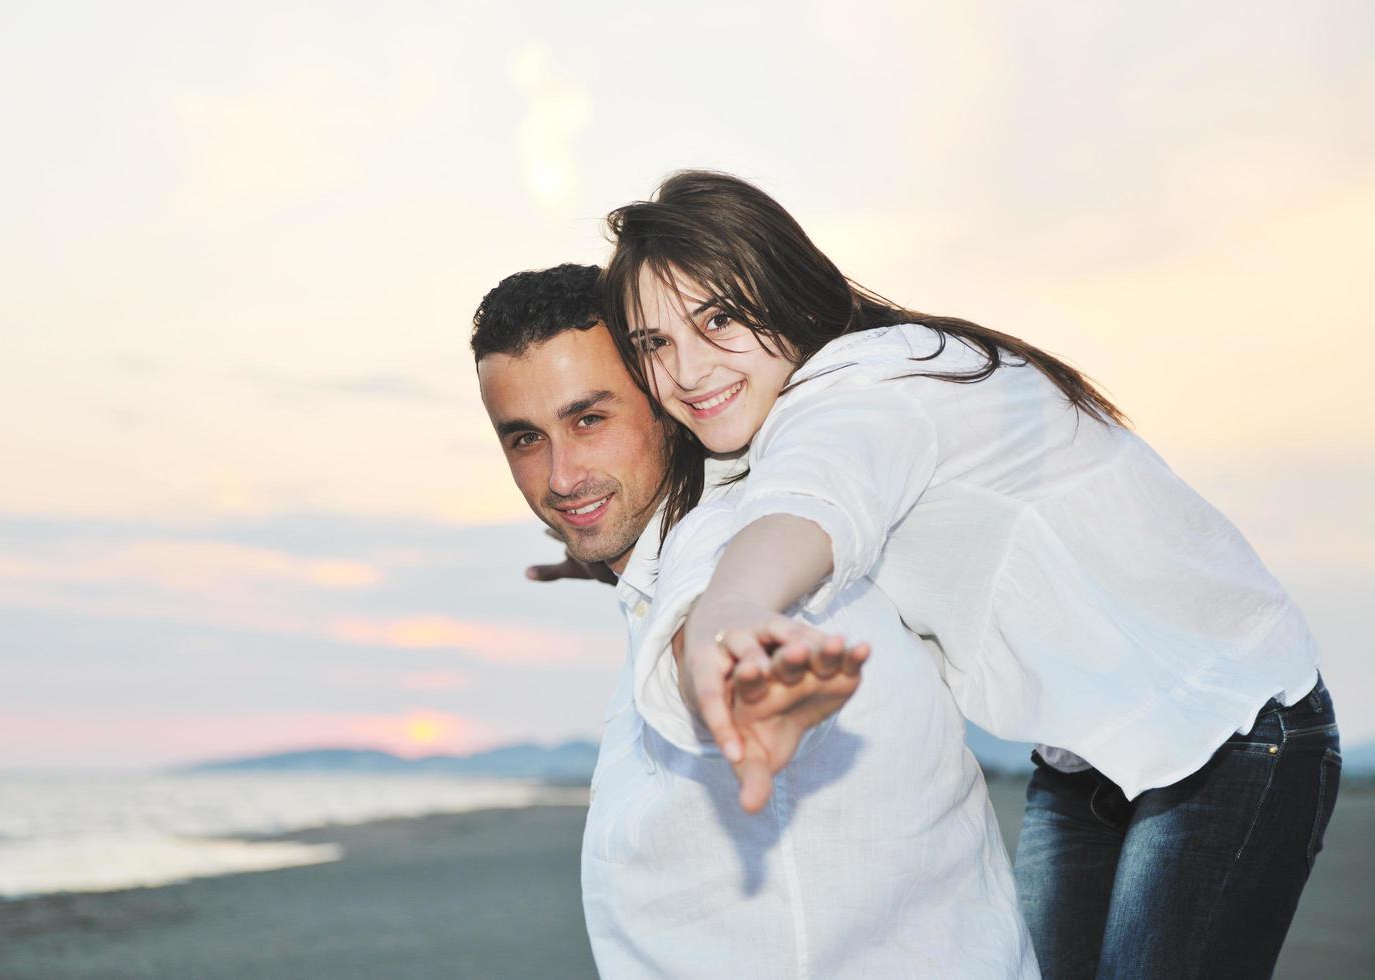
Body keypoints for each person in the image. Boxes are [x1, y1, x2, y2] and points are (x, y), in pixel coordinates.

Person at [599, 170, 1342, 979]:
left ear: (789, 292)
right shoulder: (792, 424)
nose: (689, 369)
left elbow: (808, 509)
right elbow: (751, 521)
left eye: (719, 318)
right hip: (1086, 760)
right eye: (655, 344)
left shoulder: (873, 387)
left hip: (1232, 725)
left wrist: (735, 613)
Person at [472, 264, 1038, 978]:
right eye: (524, 439)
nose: (560, 475)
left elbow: (715, 620)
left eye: (590, 420)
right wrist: (600, 565)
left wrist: (741, 675)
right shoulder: (671, 557)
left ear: (663, 398)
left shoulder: (737, 547)